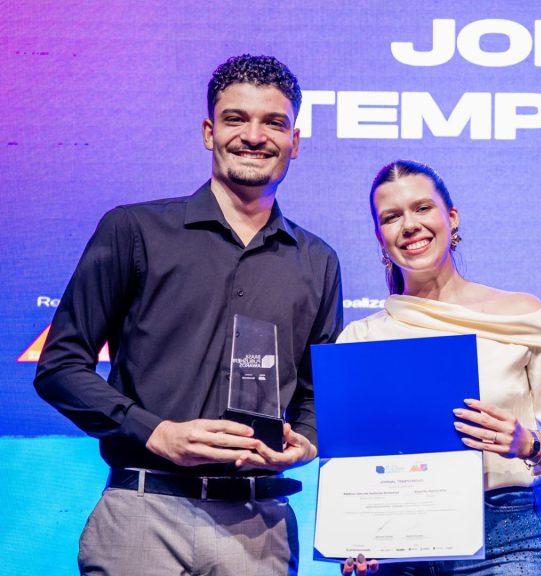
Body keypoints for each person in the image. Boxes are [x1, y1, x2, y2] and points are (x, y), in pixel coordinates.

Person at [34, 54, 342, 575]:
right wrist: (154, 432)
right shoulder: (134, 230)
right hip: (143, 514)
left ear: (295, 141)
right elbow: (60, 366)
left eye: (273, 123)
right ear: (208, 132)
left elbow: (317, 392)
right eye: (236, 119)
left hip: (259, 526)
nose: (254, 136)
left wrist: (304, 444)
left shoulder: (318, 260)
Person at [337, 160, 541, 576]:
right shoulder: (361, 339)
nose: (410, 225)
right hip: (396, 547)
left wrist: (529, 443)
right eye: (392, 217)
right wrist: (353, 536)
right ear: (379, 235)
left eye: (422, 208)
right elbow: (349, 466)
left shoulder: (522, 315)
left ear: (452, 217)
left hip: (507, 541)